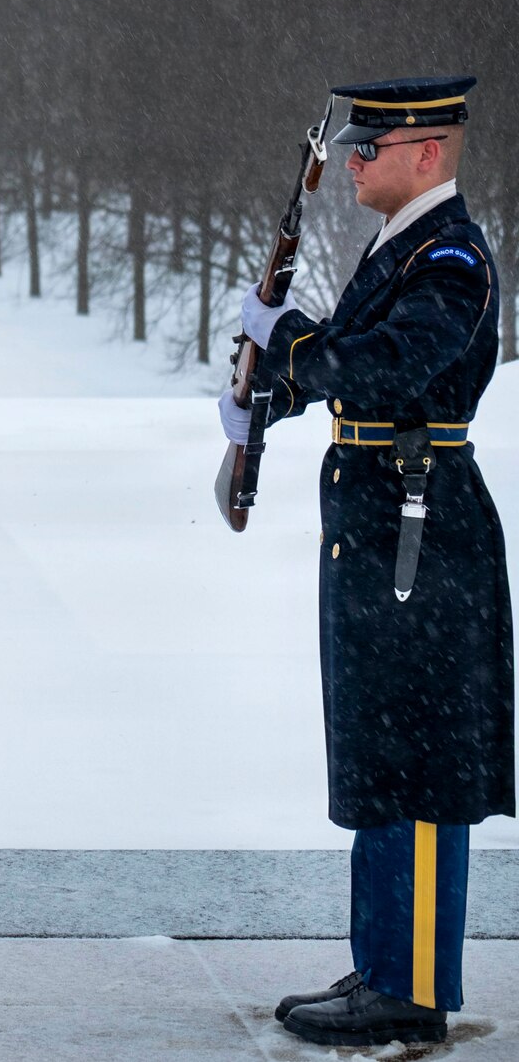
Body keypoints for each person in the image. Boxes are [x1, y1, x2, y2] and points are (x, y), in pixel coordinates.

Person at [221, 74, 512, 1049]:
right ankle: (383, 960)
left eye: (370, 147)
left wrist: (295, 355)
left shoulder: (451, 260)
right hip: (382, 524)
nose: (350, 161)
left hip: (416, 532)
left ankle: (412, 988)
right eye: (351, 146)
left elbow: (385, 363)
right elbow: (351, 354)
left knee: (421, 760)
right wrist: (272, 377)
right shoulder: (400, 248)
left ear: (425, 154)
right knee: (383, 751)